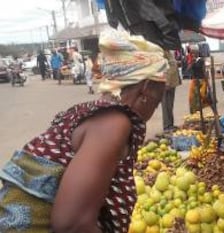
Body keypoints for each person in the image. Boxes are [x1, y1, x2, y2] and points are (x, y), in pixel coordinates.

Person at [0, 29, 168, 233]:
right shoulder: (114, 123)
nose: (155, 107)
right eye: (158, 99)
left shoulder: (91, 111)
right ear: (145, 88)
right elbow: (72, 224)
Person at [187, 46, 211, 114]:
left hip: (201, 80)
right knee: (191, 97)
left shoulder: (201, 60)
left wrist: (207, 83)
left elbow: (204, 71)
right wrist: (191, 62)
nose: (193, 54)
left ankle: (199, 112)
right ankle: (193, 112)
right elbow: (188, 70)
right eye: (192, 53)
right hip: (194, 80)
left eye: (194, 53)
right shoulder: (192, 60)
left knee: (201, 96)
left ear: (197, 53)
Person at [162, 50, 181, 132]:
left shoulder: (169, 51)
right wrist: (167, 82)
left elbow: (172, 64)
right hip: (167, 82)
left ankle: (171, 124)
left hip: (172, 82)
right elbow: (163, 67)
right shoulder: (163, 51)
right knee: (166, 105)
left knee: (170, 105)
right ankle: (167, 126)